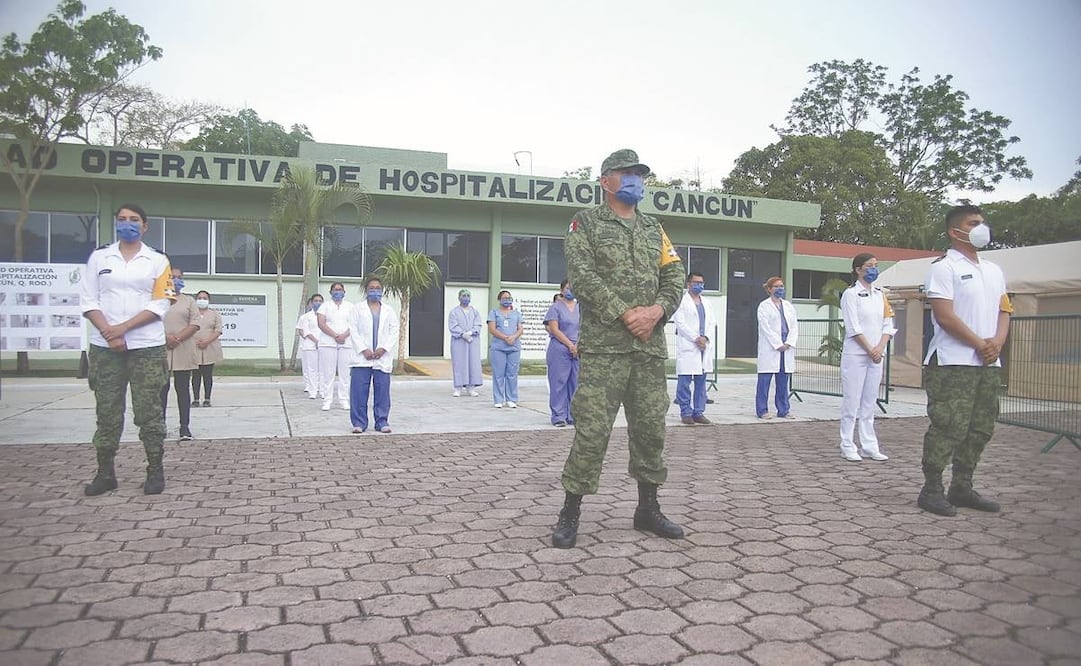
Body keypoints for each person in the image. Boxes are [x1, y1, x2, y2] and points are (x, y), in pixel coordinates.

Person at [552, 149, 686, 549]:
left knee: (650, 431)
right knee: (592, 433)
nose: (635, 181)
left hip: (648, 350)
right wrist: (626, 313)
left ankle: (648, 509)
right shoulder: (586, 223)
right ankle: (570, 511)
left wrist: (657, 311)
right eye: (626, 174)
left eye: (640, 175)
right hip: (605, 350)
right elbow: (582, 276)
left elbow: (674, 273)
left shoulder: (653, 227)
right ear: (605, 181)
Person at [918, 204, 1011, 517]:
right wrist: (979, 344)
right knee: (949, 425)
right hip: (953, 362)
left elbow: (1005, 311)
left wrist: (996, 343)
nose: (981, 228)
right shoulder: (944, 268)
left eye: (982, 222)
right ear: (955, 231)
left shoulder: (995, 271)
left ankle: (962, 486)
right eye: (974, 223)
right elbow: (944, 316)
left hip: (986, 364)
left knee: (980, 427)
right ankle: (932, 489)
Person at [80, 203, 175, 496]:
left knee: (149, 411)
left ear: (145, 226)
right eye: (122, 219)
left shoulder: (157, 260)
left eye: (134, 220)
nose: (127, 224)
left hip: (146, 346)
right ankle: (105, 473)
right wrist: (109, 333)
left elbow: (161, 302)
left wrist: (122, 329)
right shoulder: (99, 257)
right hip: (105, 347)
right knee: (107, 411)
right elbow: (88, 300)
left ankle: (154, 471)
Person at [839, 254, 896, 462]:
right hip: (856, 354)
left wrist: (879, 347)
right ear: (858, 269)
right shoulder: (850, 294)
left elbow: (888, 325)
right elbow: (853, 327)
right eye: (869, 266)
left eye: (876, 265)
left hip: (876, 356)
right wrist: (870, 348)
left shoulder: (880, 295)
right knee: (851, 400)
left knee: (869, 401)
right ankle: (847, 443)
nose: (873, 269)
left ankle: (869, 445)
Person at [348, 276, 399, 433]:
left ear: (382, 290)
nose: (375, 291)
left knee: (382, 391)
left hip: (381, 357)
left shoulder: (389, 310)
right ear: (366, 290)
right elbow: (353, 330)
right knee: (358, 391)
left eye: (378, 288)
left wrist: (383, 348)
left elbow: (393, 330)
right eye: (372, 288)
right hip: (362, 358)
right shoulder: (357, 309)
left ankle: (382, 421)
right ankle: (359, 423)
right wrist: (364, 349)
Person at [160, 267, 201, 440]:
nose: (177, 280)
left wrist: (176, 338)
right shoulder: (157, 300)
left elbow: (195, 324)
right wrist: (165, 338)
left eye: (179, 277)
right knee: (161, 389)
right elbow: (149, 323)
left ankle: (184, 427)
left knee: (182, 388)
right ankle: (160, 426)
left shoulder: (189, 301)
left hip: (183, 348)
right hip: (160, 348)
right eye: (173, 277)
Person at [673, 272, 717, 425]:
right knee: (684, 382)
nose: (699, 285)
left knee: (701, 382)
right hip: (689, 345)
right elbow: (681, 323)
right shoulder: (681, 301)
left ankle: (698, 412)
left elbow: (712, 323)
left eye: (701, 282)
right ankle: (686, 412)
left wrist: (705, 338)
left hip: (704, 346)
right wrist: (696, 338)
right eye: (696, 282)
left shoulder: (706, 302)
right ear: (688, 284)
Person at [756, 276, 798, 420]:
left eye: (782, 286)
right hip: (771, 348)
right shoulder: (763, 306)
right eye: (776, 286)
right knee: (764, 381)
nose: (780, 289)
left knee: (782, 382)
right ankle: (762, 410)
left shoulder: (788, 306)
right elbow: (765, 327)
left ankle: (783, 410)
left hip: (786, 349)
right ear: (769, 289)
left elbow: (794, 326)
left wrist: (788, 343)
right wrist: (777, 344)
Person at [544, 279, 580, 427]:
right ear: (561, 290)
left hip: (578, 349)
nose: (569, 291)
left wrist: (577, 345)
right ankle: (558, 415)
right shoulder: (555, 308)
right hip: (560, 348)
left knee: (575, 382)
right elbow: (554, 329)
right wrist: (569, 344)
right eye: (567, 288)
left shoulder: (581, 307)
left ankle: (572, 414)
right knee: (558, 382)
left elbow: (585, 328)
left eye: (572, 288)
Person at [317, 281, 355, 411]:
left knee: (345, 373)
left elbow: (355, 324)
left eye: (340, 290)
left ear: (344, 292)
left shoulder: (350, 306)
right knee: (329, 373)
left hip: (346, 343)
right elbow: (321, 324)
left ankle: (344, 399)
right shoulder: (324, 306)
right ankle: (327, 400)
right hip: (328, 343)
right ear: (330, 292)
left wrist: (344, 336)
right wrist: (335, 336)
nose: (338, 292)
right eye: (335, 290)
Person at [488, 290, 522, 408]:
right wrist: (505, 338)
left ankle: (511, 399)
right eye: (504, 298)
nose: (507, 300)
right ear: (499, 300)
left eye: (509, 298)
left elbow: (520, 329)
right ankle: (498, 399)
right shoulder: (494, 313)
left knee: (512, 373)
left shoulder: (516, 313)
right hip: (499, 347)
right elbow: (492, 329)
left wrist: (513, 337)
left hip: (514, 347)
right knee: (498, 373)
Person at [190, 290, 224, 407]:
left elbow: (218, 330)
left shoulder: (214, 314)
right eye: (200, 298)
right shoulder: (192, 314)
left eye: (204, 298)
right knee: (195, 375)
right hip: (194, 348)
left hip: (210, 348)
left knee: (207, 375)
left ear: (208, 300)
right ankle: (195, 399)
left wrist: (207, 341)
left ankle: (207, 399)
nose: (202, 300)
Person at [448, 288, 483, 397]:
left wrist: (471, 332)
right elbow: (453, 325)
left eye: (468, 296)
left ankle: (471, 388)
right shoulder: (454, 312)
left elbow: (478, 324)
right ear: (459, 297)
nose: (466, 298)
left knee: (473, 363)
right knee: (459, 363)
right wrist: (462, 334)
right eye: (464, 296)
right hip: (459, 342)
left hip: (473, 341)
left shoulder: (475, 311)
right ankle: (458, 388)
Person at [296, 294, 324, 399]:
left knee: (322, 369)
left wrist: (321, 342)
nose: (318, 303)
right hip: (310, 345)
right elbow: (305, 331)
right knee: (311, 369)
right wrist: (316, 341)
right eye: (316, 301)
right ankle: (312, 391)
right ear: (311, 303)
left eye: (320, 301)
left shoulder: (325, 316)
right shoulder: (306, 317)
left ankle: (322, 390)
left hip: (323, 345)